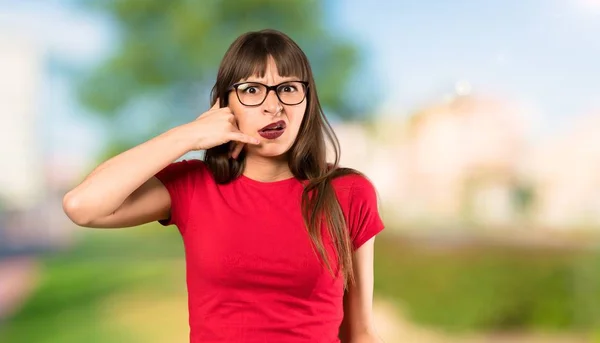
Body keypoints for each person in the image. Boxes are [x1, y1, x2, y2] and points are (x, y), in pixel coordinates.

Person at [63, 29, 385, 343]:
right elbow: (82, 206)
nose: (273, 106)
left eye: (287, 88)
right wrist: (190, 135)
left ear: (307, 99)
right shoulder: (194, 185)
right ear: (225, 104)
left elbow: (359, 332)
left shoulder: (349, 193)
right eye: (251, 90)